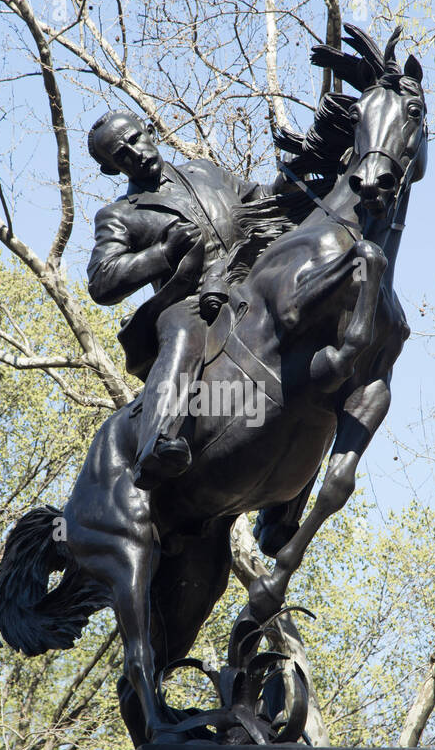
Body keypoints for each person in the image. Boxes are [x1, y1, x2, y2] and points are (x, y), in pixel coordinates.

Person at [86, 111, 291, 489]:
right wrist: (161, 253)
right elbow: (101, 281)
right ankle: (157, 441)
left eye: (135, 138)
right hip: (191, 301)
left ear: (150, 129)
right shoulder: (118, 215)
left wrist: (293, 176)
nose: (136, 153)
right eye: (122, 154)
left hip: (249, 278)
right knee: (181, 334)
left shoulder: (204, 171)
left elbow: (257, 197)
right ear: (112, 169)